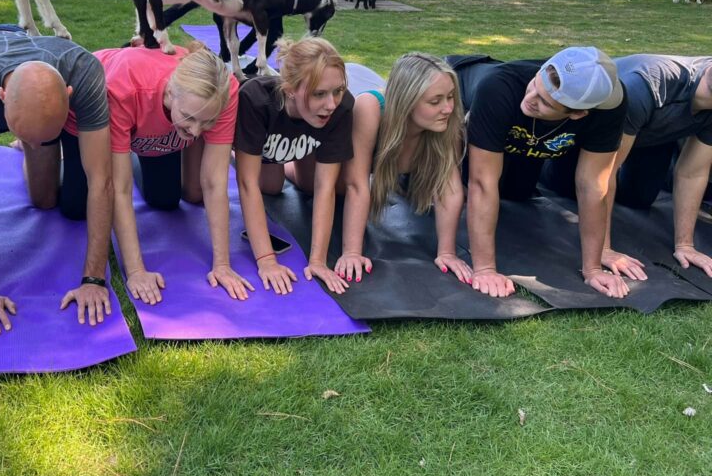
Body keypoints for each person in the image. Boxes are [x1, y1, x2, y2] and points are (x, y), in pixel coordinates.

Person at [0, 25, 112, 332]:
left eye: (42, 138)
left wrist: (94, 279)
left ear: (68, 95)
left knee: (45, 200)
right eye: (25, 136)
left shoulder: (83, 70)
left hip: (27, 43)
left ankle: (37, 139)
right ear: (2, 98)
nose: (35, 143)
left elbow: (102, 180)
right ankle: (30, 138)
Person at [63, 42, 248, 301]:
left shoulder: (224, 90)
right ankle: (35, 148)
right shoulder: (122, 89)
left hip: (151, 128)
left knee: (165, 199)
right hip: (89, 114)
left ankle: (135, 148)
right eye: (190, 117)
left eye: (207, 122)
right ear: (171, 92)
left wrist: (223, 265)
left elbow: (215, 181)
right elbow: (120, 187)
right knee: (74, 206)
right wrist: (136, 270)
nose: (196, 132)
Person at [448, 47, 629, 299]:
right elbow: (482, 182)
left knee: (516, 193)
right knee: (439, 187)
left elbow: (593, 185)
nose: (531, 97)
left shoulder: (609, 106)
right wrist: (485, 269)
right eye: (535, 84)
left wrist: (593, 268)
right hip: (463, 97)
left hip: (525, 135)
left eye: (544, 101)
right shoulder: (500, 89)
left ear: (578, 113)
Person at [542, 55, 712, 280]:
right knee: (564, 186)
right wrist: (603, 250)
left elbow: (692, 173)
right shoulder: (647, 86)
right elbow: (602, 174)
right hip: (587, 135)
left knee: (638, 198)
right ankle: (544, 160)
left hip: (651, 134)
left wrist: (686, 245)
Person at [234, 37, 354, 296]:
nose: (331, 103)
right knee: (270, 186)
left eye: (337, 90)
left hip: (298, 145)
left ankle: (289, 161)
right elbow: (247, 185)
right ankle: (238, 155)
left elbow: (325, 187)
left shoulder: (340, 108)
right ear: (289, 89)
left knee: (314, 184)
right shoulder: (255, 100)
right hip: (262, 148)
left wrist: (318, 261)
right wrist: (266, 260)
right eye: (319, 94)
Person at [339, 53, 471, 283]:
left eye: (450, 97)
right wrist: (352, 252)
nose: (448, 108)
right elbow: (356, 183)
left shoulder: (446, 121)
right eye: (435, 101)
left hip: (397, 150)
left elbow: (450, 187)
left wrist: (447, 252)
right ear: (407, 101)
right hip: (342, 136)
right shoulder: (370, 108)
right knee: (315, 185)